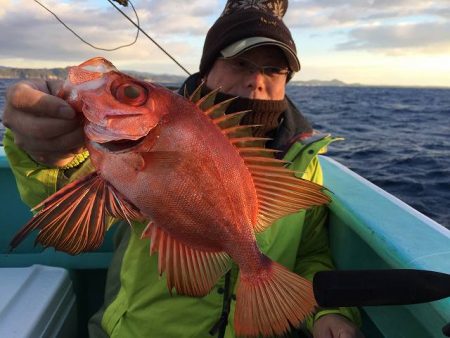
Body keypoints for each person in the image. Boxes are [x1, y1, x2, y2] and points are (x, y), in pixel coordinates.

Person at [3, 0, 364, 337]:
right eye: (240, 63)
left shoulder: (303, 161)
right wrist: (50, 155)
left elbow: (311, 251)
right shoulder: (130, 138)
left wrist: (329, 311)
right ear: (208, 69)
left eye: (274, 69)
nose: (257, 80)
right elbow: (61, 203)